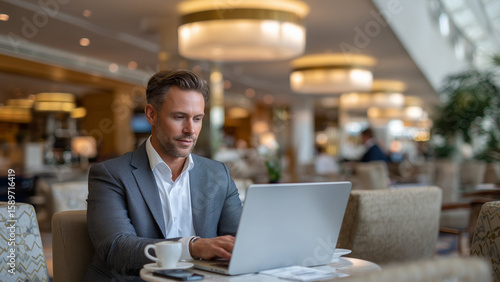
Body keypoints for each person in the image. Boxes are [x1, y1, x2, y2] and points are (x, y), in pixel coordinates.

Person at [84, 69, 243, 281]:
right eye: (179, 117)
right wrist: (192, 247)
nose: (191, 130)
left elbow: (240, 239)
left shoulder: (218, 173)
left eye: (197, 119)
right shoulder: (110, 174)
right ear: (151, 114)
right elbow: (116, 249)